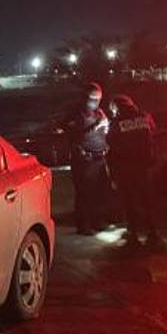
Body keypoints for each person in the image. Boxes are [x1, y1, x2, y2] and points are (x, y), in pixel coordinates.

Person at [106, 94, 164, 250]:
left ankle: (133, 234)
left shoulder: (118, 123)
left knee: (129, 202)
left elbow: (110, 142)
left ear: (117, 107)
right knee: (147, 201)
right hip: (144, 166)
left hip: (127, 168)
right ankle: (153, 232)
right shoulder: (145, 116)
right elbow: (153, 133)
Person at [62, 82, 113, 234]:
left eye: (98, 99)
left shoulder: (99, 112)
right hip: (85, 159)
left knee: (100, 192)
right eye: (92, 99)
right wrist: (95, 126)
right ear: (85, 97)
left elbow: (106, 130)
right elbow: (73, 134)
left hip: (100, 157)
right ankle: (83, 225)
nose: (95, 102)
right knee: (85, 194)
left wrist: (106, 126)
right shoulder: (75, 113)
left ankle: (97, 221)